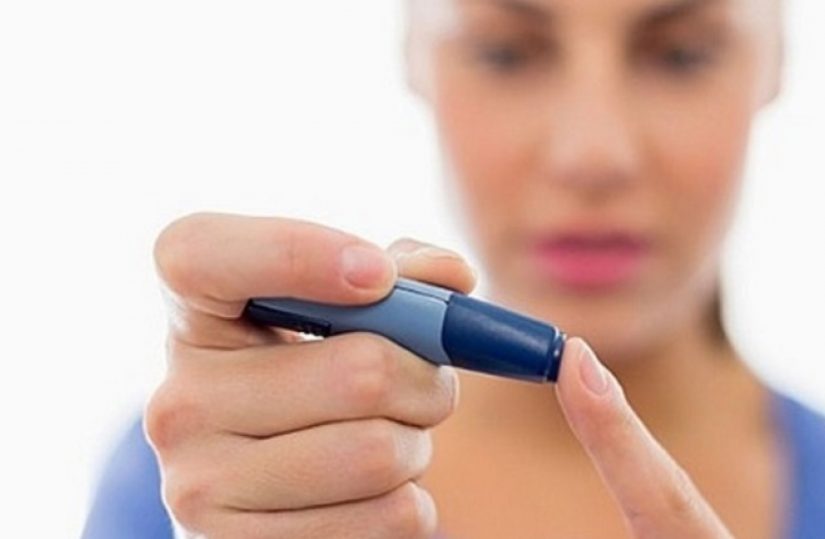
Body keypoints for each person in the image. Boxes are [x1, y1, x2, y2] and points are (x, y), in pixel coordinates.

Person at [83, 0, 825, 537]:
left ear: (778, 59)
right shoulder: (202, 485)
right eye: (506, 53)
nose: (593, 153)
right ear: (413, 54)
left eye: (681, 55)